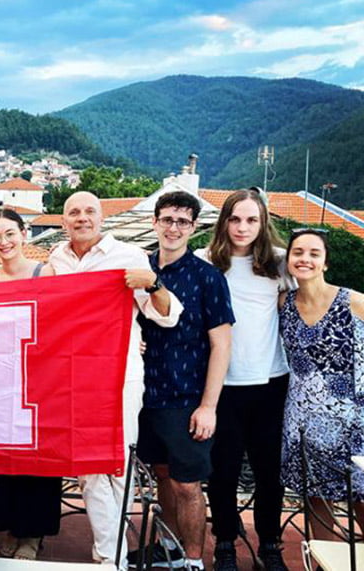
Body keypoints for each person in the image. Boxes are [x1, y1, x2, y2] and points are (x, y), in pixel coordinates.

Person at [48, 191, 183, 567]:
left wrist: (153, 283)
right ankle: (111, 558)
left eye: (89, 211)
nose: (82, 218)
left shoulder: (130, 257)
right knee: (88, 468)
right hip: (72, 377)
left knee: (116, 463)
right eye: (73, 212)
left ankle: (111, 558)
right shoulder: (57, 258)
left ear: (101, 217)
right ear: (64, 221)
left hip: (119, 377)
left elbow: (167, 316)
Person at [135, 191, 234, 571]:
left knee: (187, 485)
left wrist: (208, 406)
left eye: (182, 221)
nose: (173, 227)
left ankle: (193, 560)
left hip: (185, 397)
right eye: (167, 219)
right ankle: (169, 550)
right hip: (143, 395)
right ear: (155, 222)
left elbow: (221, 344)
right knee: (162, 476)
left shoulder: (207, 277)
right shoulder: (138, 268)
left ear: (193, 228)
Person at [196, 189, 290, 571]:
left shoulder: (281, 263)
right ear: (224, 222)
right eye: (235, 219)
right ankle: (224, 544)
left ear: (263, 223)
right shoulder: (206, 262)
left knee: (270, 472)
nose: (242, 227)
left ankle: (270, 544)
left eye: (251, 220)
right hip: (223, 385)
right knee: (223, 471)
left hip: (271, 382)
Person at [0, 208, 57, 561]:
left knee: (38, 459)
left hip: (39, 376)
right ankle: (12, 526)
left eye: (9, 233)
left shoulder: (45, 271)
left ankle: (33, 535)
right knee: (6, 456)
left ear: (24, 234)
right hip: (0, 377)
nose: (3, 241)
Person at [278, 228, 364, 540]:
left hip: (355, 427)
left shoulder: (353, 302)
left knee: (363, 502)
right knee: (317, 508)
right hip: (302, 423)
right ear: (288, 260)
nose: (305, 259)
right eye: (298, 252)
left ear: (325, 262)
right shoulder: (283, 304)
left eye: (314, 253)